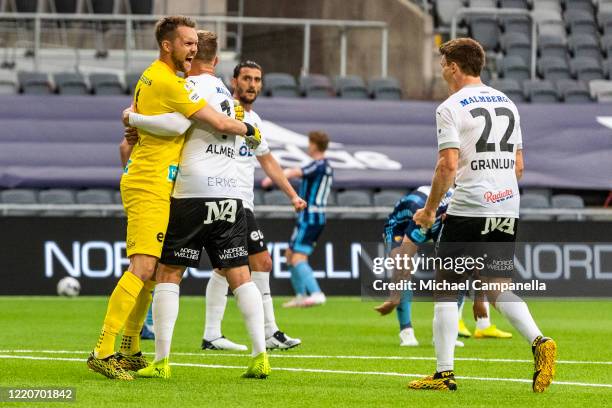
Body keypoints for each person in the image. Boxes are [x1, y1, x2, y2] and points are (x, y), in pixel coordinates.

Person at [87, 17, 260, 381]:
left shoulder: (162, 78)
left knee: (153, 274)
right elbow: (187, 125)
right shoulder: (169, 82)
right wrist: (248, 128)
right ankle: (103, 350)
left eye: (195, 44)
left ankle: (132, 347)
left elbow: (166, 126)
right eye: (186, 43)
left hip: (164, 185)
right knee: (144, 268)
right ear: (168, 45)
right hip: (149, 183)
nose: (192, 49)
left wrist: (133, 118)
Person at [124, 31, 278, 380]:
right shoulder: (227, 94)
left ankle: (161, 360)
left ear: (192, 59)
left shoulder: (190, 89)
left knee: (169, 274)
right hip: (230, 196)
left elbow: (176, 123)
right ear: (218, 61)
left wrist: (133, 118)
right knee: (241, 276)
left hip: (192, 192)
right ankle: (260, 355)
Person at [409, 38, 556, 392]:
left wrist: (430, 211)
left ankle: (444, 374)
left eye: (444, 64)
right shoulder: (507, 103)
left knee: (445, 288)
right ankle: (539, 342)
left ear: (455, 67)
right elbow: (519, 166)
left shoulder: (450, 107)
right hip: (507, 206)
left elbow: (446, 166)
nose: (442, 69)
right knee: (496, 287)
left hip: (470, 207)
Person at [202, 60, 305, 351]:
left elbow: (267, 160)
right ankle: (269, 331)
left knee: (225, 267)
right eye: (246, 78)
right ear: (234, 81)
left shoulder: (254, 120)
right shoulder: (223, 111)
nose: (252, 84)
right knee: (261, 262)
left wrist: (292, 195)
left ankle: (211, 334)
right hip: (227, 197)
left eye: (257, 79)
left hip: (242, 200)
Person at [262, 132, 333, 308]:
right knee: (289, 254)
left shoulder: (319, 165)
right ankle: (301, 295)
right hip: (311, 217)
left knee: (298, 258)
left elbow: (296, 172)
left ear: (315, 145)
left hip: (311, 216)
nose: (308, 147)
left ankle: (317, 293)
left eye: (310, 143)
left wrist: (274, 177)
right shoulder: (326, 166)